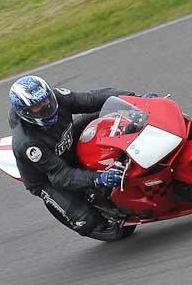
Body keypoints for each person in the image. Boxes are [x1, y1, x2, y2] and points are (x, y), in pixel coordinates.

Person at [8, 75, 135, 239]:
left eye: (46, 100)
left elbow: (91, 99)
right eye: (37, 106)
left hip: (65, 140)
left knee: (112, 115)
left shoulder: (57, 97)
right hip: (48, 177)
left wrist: (132, 98)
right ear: (25, 111)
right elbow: (61, 175)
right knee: (86, 221)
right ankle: (90, 218)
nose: (46, 106)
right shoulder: (27, 143)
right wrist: (99, 178)